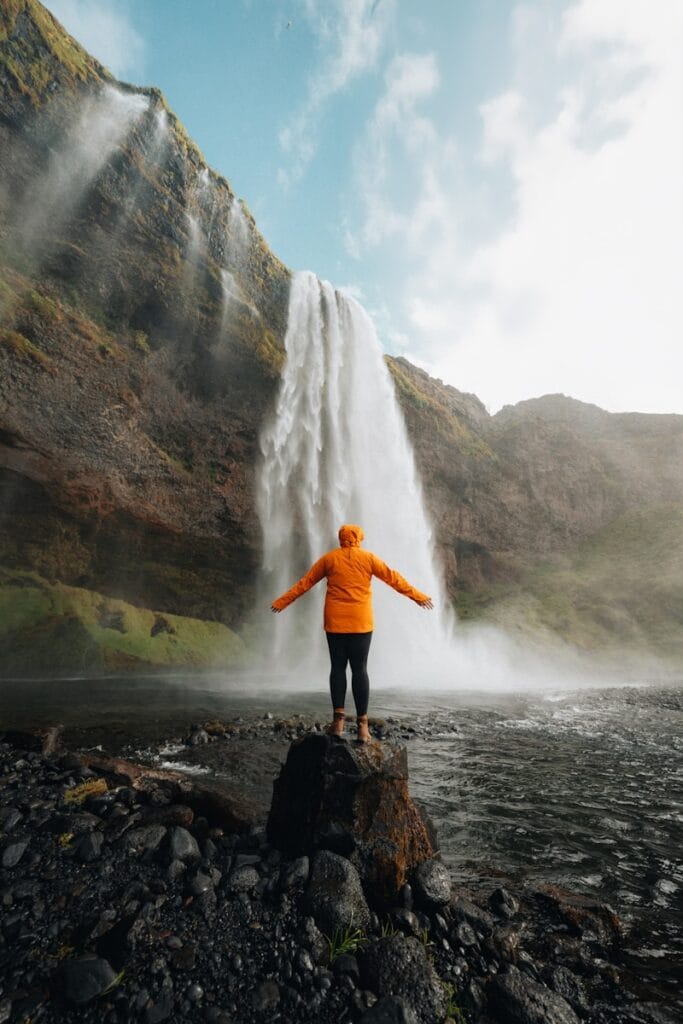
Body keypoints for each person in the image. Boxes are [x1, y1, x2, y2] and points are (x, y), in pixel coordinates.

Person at [271, 523, 433, 742]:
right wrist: (419, 596)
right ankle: (362, 726)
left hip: (335, 622)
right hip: (361, 622)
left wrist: (282, 602)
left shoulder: (329, 559)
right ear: (359, 538)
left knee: (337, 668)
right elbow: (394, 579)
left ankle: (338, 721)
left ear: (341, 538)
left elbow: (305, 583)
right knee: (360, 670)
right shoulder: (369, 558)